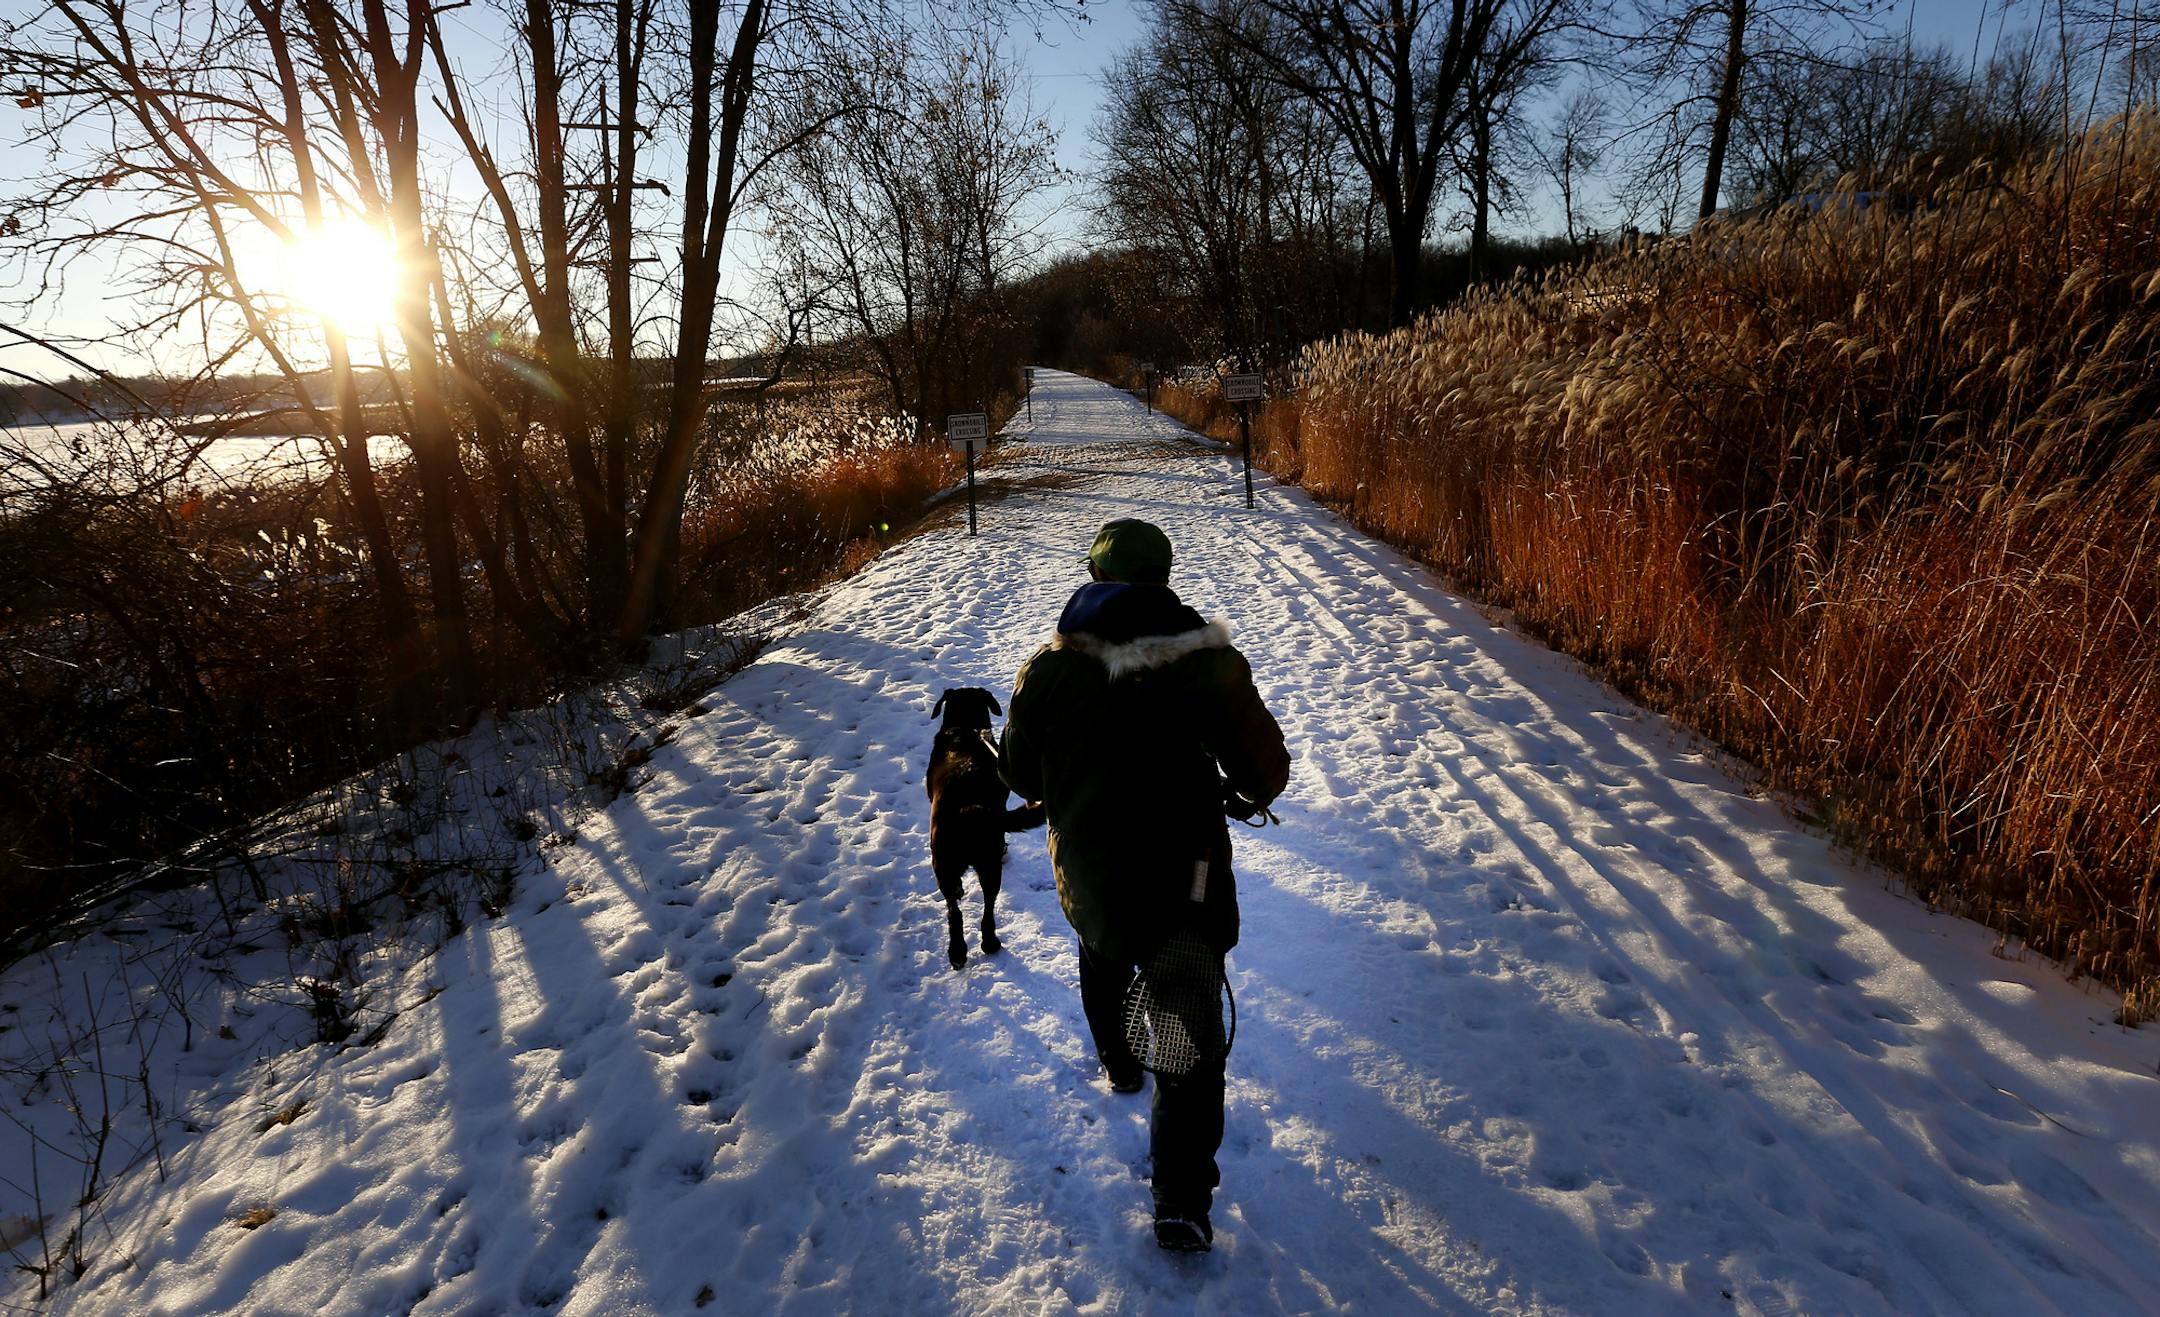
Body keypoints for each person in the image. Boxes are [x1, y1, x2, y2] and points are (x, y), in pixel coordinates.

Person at [999, 518, 1290, 1254]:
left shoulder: (1048, 668)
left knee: (1101, 950)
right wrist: (1241, 789)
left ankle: (1120, 1062)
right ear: (1163, 580)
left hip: (1092, 879)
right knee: (1187, 1031)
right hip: (1183, 880)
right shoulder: (1209, 663)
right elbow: (1264, 770)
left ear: (1095, 581)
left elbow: (1019, 776)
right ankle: (1181, 1197)